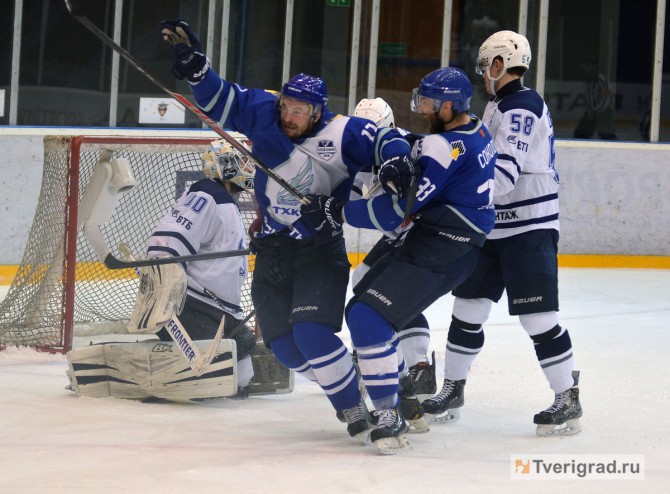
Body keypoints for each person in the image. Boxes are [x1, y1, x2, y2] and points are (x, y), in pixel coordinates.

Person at [159, 20, 414, 444]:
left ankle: (371, 409)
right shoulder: (264, 111)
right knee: (285, 349)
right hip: (273, 250)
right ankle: (356, 379)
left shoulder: (344, 131)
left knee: (312, 335)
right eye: (286, 106)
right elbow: (224, 99)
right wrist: (198, 72)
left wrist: (394, 161)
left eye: (299, 110)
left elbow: (390, 139)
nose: (289, 116)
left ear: (317, 111)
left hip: (318, 249)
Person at [301, 67, 496, 453]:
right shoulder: (475, 130)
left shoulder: (442, 147)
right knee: (364, 298)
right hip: (446, 242)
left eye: (427, 102)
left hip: (442, 246)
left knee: (365, 316)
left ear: (448, 104)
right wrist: (403, 152)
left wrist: (336, 211)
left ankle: (391, 412)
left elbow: (395, 213)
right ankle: (407, 389)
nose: (421, 108)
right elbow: (423, 145)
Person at [422, 30, 583, 437]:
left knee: (538, 317)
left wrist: (449, 191)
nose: (482, 75)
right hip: (493, 227)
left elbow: (505, 177)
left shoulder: (522, 108)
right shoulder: (497, 106)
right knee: (468, 308)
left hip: (529, 228)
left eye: (484, 66)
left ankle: (567, 395)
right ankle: (453, 388)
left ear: (499, 65)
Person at [141, 139, 258, 396]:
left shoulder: (223, 200)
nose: (250, 168)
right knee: (227, 378)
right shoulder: (206, 194)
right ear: (226, 165)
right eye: (244, 161)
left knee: (244, 377)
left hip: (219, 310)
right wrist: (163, 289)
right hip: (194, 307)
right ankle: (155, 366)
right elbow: (166, 242)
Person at [351, 97, 436, 402]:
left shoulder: (408, 148)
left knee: (394, 296)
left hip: (420, 232)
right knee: (361, 277)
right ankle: (373, 348)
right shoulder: (360, 152)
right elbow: (348, 191)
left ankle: (419, 366)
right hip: (397, 233)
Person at [573, 58, 617, 140]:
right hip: (592, 113)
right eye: (584, 67)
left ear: (593, 68)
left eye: (587, 67)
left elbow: (607, 99)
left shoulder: (602, 79)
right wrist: (590, 112)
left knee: (607, 136)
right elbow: (589, 100)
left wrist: (595, 112)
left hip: (603, 113)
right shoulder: (588, 81)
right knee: (580, 134)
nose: (585, 69)